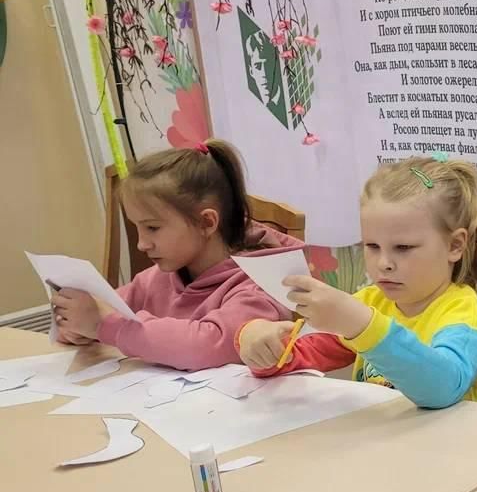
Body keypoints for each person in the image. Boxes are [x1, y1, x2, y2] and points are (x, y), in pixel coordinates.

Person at [236, 155, 477, 409]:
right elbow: (296, 358)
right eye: (372, 245)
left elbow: (442, 389)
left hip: (458, 450)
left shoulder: (462, 316)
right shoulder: (372, 301)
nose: (384, 262)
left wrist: (362, 324)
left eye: (403, 247)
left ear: (455, 245)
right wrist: (259, 342)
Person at [52, 141, 298, 370]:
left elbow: (206, 346)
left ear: (206, 222)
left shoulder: (261, 285)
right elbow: (105, 309)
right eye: (137, 227)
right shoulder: (157, 277)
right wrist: (76, 325)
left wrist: (103, 325)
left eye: (152, 228)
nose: (142, 244)